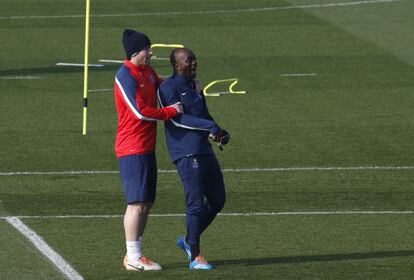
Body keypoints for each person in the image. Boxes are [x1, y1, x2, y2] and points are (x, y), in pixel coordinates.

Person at [114, 29, 183, 271]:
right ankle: (133, 257)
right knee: (136, 203)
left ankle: (135, 254)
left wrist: (184, 82)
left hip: (146, 146)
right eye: (147, 49)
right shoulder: (125, 75)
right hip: (132, 147)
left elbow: (161, 87)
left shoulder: (146, 71)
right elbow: (140, 110)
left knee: (146, 202)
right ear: (135, 52)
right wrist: (170, 112)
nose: (151, 52)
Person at [157, 48, 230, 270]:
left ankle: (189, 239)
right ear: (177, 65)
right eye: (189, 60)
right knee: (195, 204)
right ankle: (195, 256)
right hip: (186, 153)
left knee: (217, 200)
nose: (194, 63)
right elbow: (177, 120)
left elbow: (203, 116)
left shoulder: (195, 86)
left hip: (204, 150)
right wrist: (209, 126)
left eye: (194, 59)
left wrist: (219, 132)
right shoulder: (167, 88)